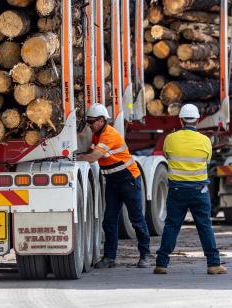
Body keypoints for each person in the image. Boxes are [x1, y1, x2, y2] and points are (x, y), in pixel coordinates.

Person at [154, 104, 227, 275]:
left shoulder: (170, 139)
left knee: (171, 226)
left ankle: (161, 264)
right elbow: (207, 161)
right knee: (205, 227)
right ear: (197, 120)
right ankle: (213, 264)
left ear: (180, 120)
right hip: (199, 191)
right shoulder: (205, 141)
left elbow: (167, 155)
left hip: (177, 191)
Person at [77, 103, 150, 268]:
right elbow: (92, 149)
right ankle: (110, 258)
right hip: (112, 181)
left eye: (92, 122)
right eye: (88, 122)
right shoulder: (97, 135)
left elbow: (95, 156)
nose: (90, 125)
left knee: (136, 219)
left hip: (128, 179)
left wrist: (77, 158)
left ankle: (145, 255)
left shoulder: (109, 134)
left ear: (102, 120)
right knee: (109, 220)